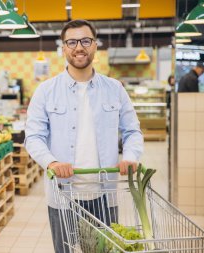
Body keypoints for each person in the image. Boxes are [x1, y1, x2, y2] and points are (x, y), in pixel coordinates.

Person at [24, 19, 143, 253]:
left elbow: (132, 131)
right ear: (64, 47)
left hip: (104, 194)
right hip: (62, 196)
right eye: (72, 42)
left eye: (86, 40)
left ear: (95, 45)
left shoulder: (115, 89)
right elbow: (34, 136)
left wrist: (130, 156)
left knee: (106, 250)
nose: (79, 47)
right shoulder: (45, 91)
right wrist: (52, 162)